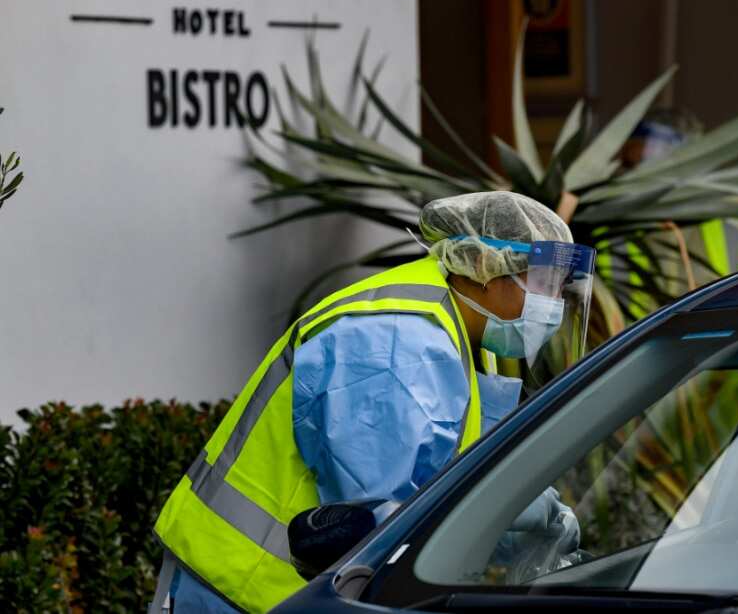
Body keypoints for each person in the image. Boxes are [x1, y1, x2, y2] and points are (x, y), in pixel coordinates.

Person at [150, 191, 594, 613]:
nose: (552, 303)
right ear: (481, 264)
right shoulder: (397, 339)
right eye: (542, 283)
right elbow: (388, 518)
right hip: (237, 585)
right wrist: (511, 511)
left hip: (294, 592)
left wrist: (517, 508)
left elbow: (445, 470)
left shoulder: (462, 332)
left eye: (558, 288)